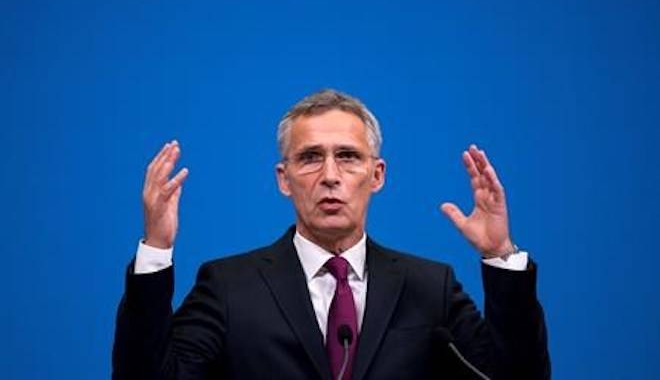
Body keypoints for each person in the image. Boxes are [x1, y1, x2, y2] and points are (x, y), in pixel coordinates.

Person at [112, 89, 550, 379]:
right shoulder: (228, 286)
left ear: (377, 175)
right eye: (309, 158)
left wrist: (499, 254)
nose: (330, 176)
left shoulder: (429, 287)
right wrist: (156, 248)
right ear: (284, 179)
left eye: (348, 156)